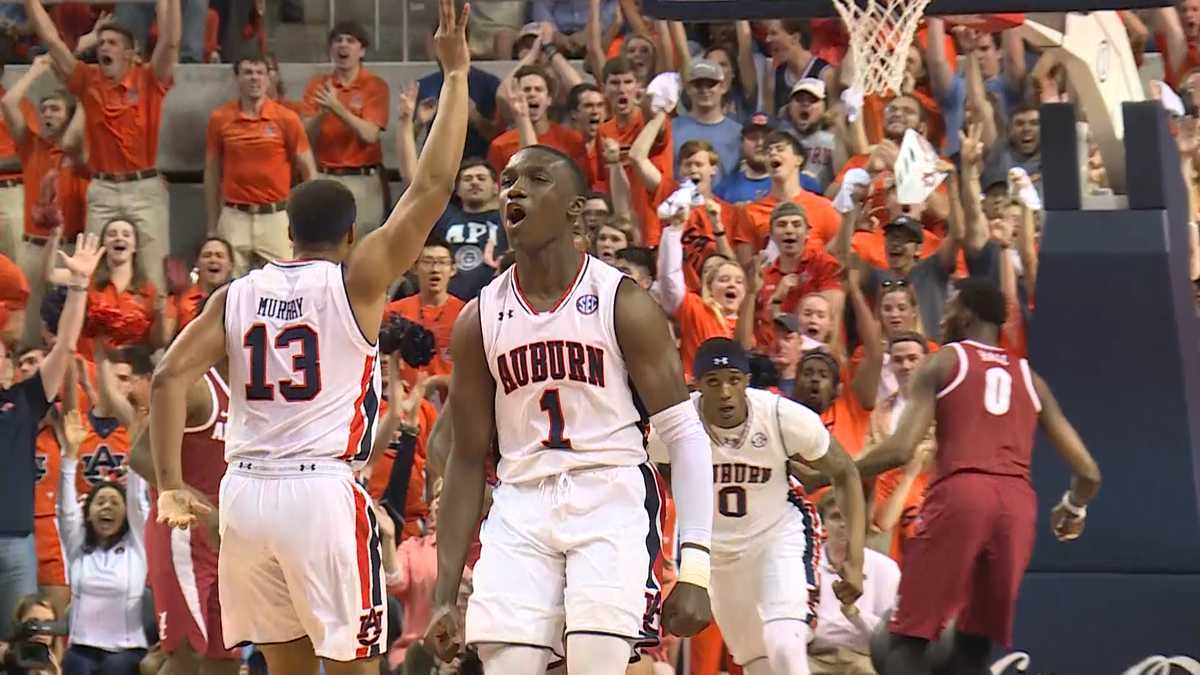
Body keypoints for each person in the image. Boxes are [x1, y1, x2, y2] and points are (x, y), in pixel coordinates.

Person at [147, 2, 471, 672]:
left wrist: (173, 484)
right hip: (319, 493)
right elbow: (433, 185)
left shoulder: (234, 294)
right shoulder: (358, 280)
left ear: (288, 233)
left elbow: (166, 377)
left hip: (244, 497)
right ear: (350, 236)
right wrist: (458, 74)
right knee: (355, 664)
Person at [425, 144, 715, 673]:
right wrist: (444, 594)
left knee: (594, 663)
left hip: (609, 495)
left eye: (536, 179)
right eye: (509, 180)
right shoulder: (479, 318)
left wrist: (695, 568)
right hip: (521, 503)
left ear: (574, 210)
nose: (515, 190)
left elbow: (687, 435)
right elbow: (466, 459)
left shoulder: (621, 302)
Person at [857, 278, 1103, 675]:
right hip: (1017, 508)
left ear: (966, 314)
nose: (943, 315)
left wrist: (839, 471)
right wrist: (1073, 507)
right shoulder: (1029, 377)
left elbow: (901, 449)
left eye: (950, 305)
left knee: (906, 638)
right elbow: (1088, 472)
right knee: (972, 646)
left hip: (962, 493)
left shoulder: (945, 360)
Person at [649, 337, 865, 675]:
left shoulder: (781, 416)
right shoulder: (675, 426)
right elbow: (643, 467)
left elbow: (845, 472)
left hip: (777, 536)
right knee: (757, 663)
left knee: (784, 644)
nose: (724, 392)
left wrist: (855, 558)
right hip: (714, 551)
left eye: (734, 380)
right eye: (714, 382)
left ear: (747, 382)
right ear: (698, 385)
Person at [24, 0, 180, 293]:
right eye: (102, 42)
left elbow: (171, 42)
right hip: (103, 189)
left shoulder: (149, 80)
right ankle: (86, 336)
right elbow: (51, 40)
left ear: (131, 54)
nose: (104, 47)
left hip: (144, 188)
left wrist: (169, 5)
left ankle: (159, 339)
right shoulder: (87, 80)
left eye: (112, 43)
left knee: (153, 274)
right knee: (89, 270)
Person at [0, 233, 101, 639]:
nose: (3, 357)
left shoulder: (25, 400)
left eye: (4, 353)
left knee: (27, 640)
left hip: (19, 542)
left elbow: (66, 347)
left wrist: (78, 287)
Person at [59, 408, 152, 674]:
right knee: (74, 664)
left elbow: (137, 501)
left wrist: (135, 449)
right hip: (81, 649)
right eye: (99, 502)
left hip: (127, 651)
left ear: (125, 514)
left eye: (114, 502)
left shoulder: (137, 546)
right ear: (87, 513)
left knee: (115, 669)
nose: (107, 508)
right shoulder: (78, 548)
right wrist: (69, 456)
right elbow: (66, 511)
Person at [809, 491, 900, 675]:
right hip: (813, 656)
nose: (844, 524)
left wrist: (855, 614)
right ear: (823, 524)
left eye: (850, 517)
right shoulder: (808, 566)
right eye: (835, 517)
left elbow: (891, 636)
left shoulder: (885, 568)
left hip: (863, 658)